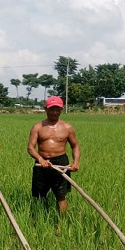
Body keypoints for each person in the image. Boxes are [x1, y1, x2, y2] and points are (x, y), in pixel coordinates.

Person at [27, 95, 81, 225]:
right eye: (51, 109)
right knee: (39, 196)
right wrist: (40, 159)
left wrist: (76, 162)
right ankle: (38, 222)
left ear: (61, 110)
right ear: (46, 109)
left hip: (61, 164)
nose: (54, 112)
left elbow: (75, 146)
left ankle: (61, 224)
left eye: (57, 109)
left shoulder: (67, 128)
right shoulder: (38, 127)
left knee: (61, 196)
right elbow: (30, 147)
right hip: (42, 164)